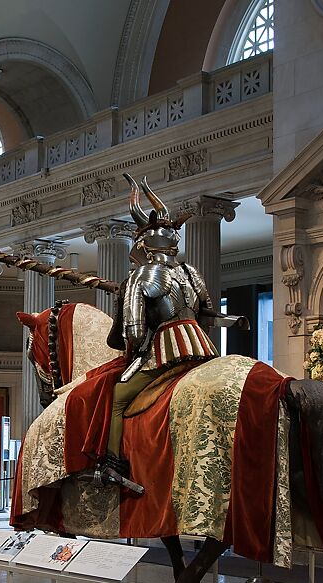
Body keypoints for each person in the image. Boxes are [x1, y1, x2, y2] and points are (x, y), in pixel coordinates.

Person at [95, 175, 221, 491]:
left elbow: (134, 332)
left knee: (117, 398)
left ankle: (112, 466)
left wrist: (132, 347)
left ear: (144, 244)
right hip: (202, 349)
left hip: (166, 352)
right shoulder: (191, 273)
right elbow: (209, 314)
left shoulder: (142, 276)